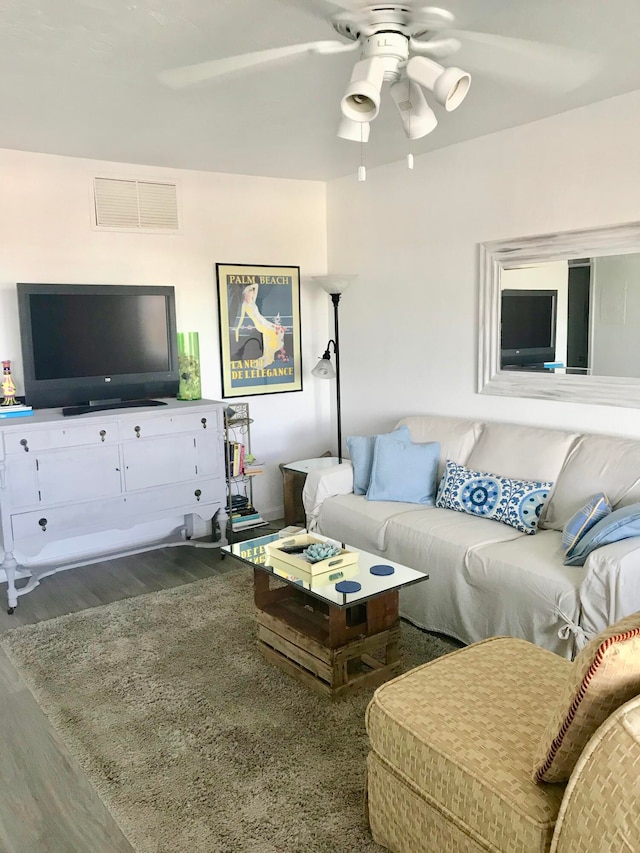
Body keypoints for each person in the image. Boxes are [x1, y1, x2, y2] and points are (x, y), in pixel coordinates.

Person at [234, 283, 285, 370]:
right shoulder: (245, 305)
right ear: (246, 294)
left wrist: (250, 287)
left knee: (279, 331)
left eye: (252, 292)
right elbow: (241, 319)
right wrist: (237, 329)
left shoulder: (253, 301)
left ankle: (269, 358)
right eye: (249, 292)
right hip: (261, 325)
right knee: (274, 335)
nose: (252, 294)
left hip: (264, 322)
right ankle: (268, 357)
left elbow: (256, 285)